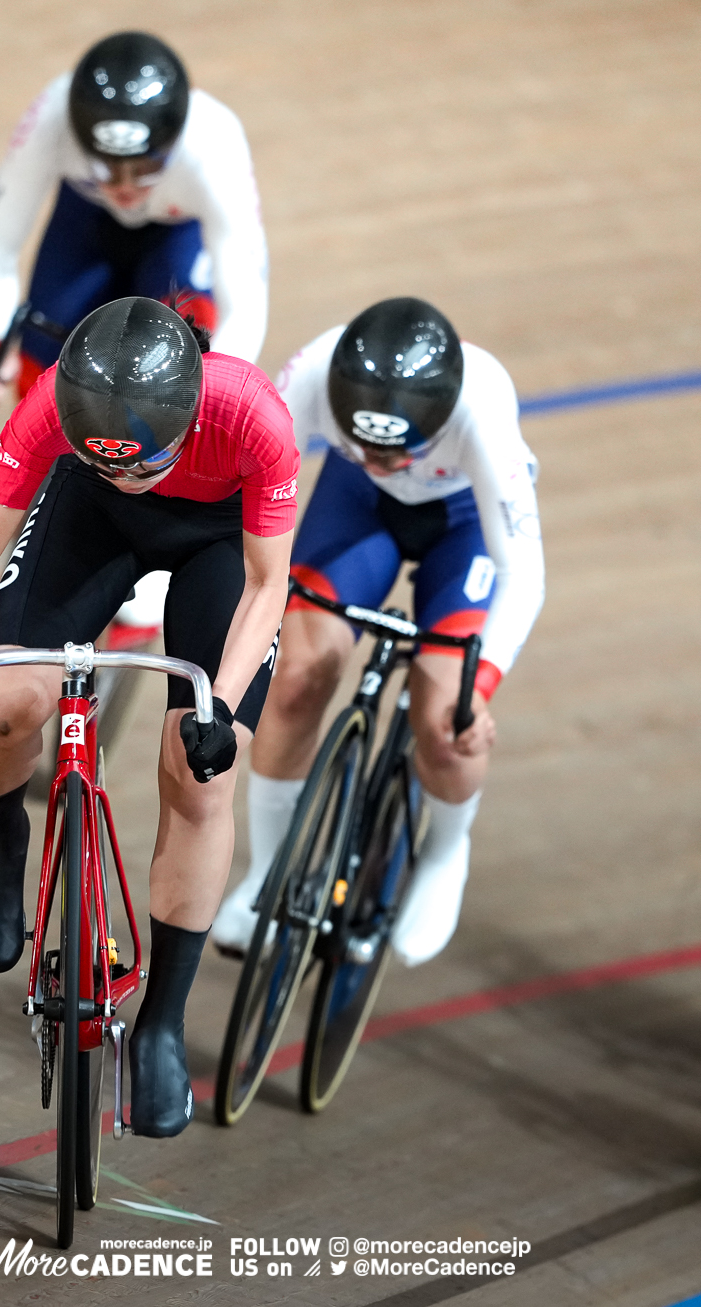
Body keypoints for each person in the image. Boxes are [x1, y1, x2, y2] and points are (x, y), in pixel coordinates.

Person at [0, 298, 295, 1139]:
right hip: (88, 520)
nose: (133, 473)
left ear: (190, 417)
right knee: (6, 702)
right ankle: (1, 832)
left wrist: (220, 707)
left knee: (203, 771)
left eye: (145, 462)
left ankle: (162, 1020)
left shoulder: (251, 414)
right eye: (113, 460)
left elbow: (269, 586)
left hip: (216, 542)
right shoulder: (54, 403)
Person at [207, 298, 545, 966]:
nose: (386, 460)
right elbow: (234, 483)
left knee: (447, 719)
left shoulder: (481, 412)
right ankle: (268, 873)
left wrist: (480, 685)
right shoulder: (311, 376)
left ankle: (448, 853)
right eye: (367, 445)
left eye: (399, 450)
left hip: (463, 522)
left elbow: (524, 576)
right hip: (356, 502)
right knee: (297, 678)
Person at [0, 31, 268, 410]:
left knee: (186, 367)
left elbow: (245, 301)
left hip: (174, 234)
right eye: (106, 168)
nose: (125, 188)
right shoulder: (51, 117)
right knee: (38, 372)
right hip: (87, 220)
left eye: (145, 168)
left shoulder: (215, 146)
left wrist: (209, 398)